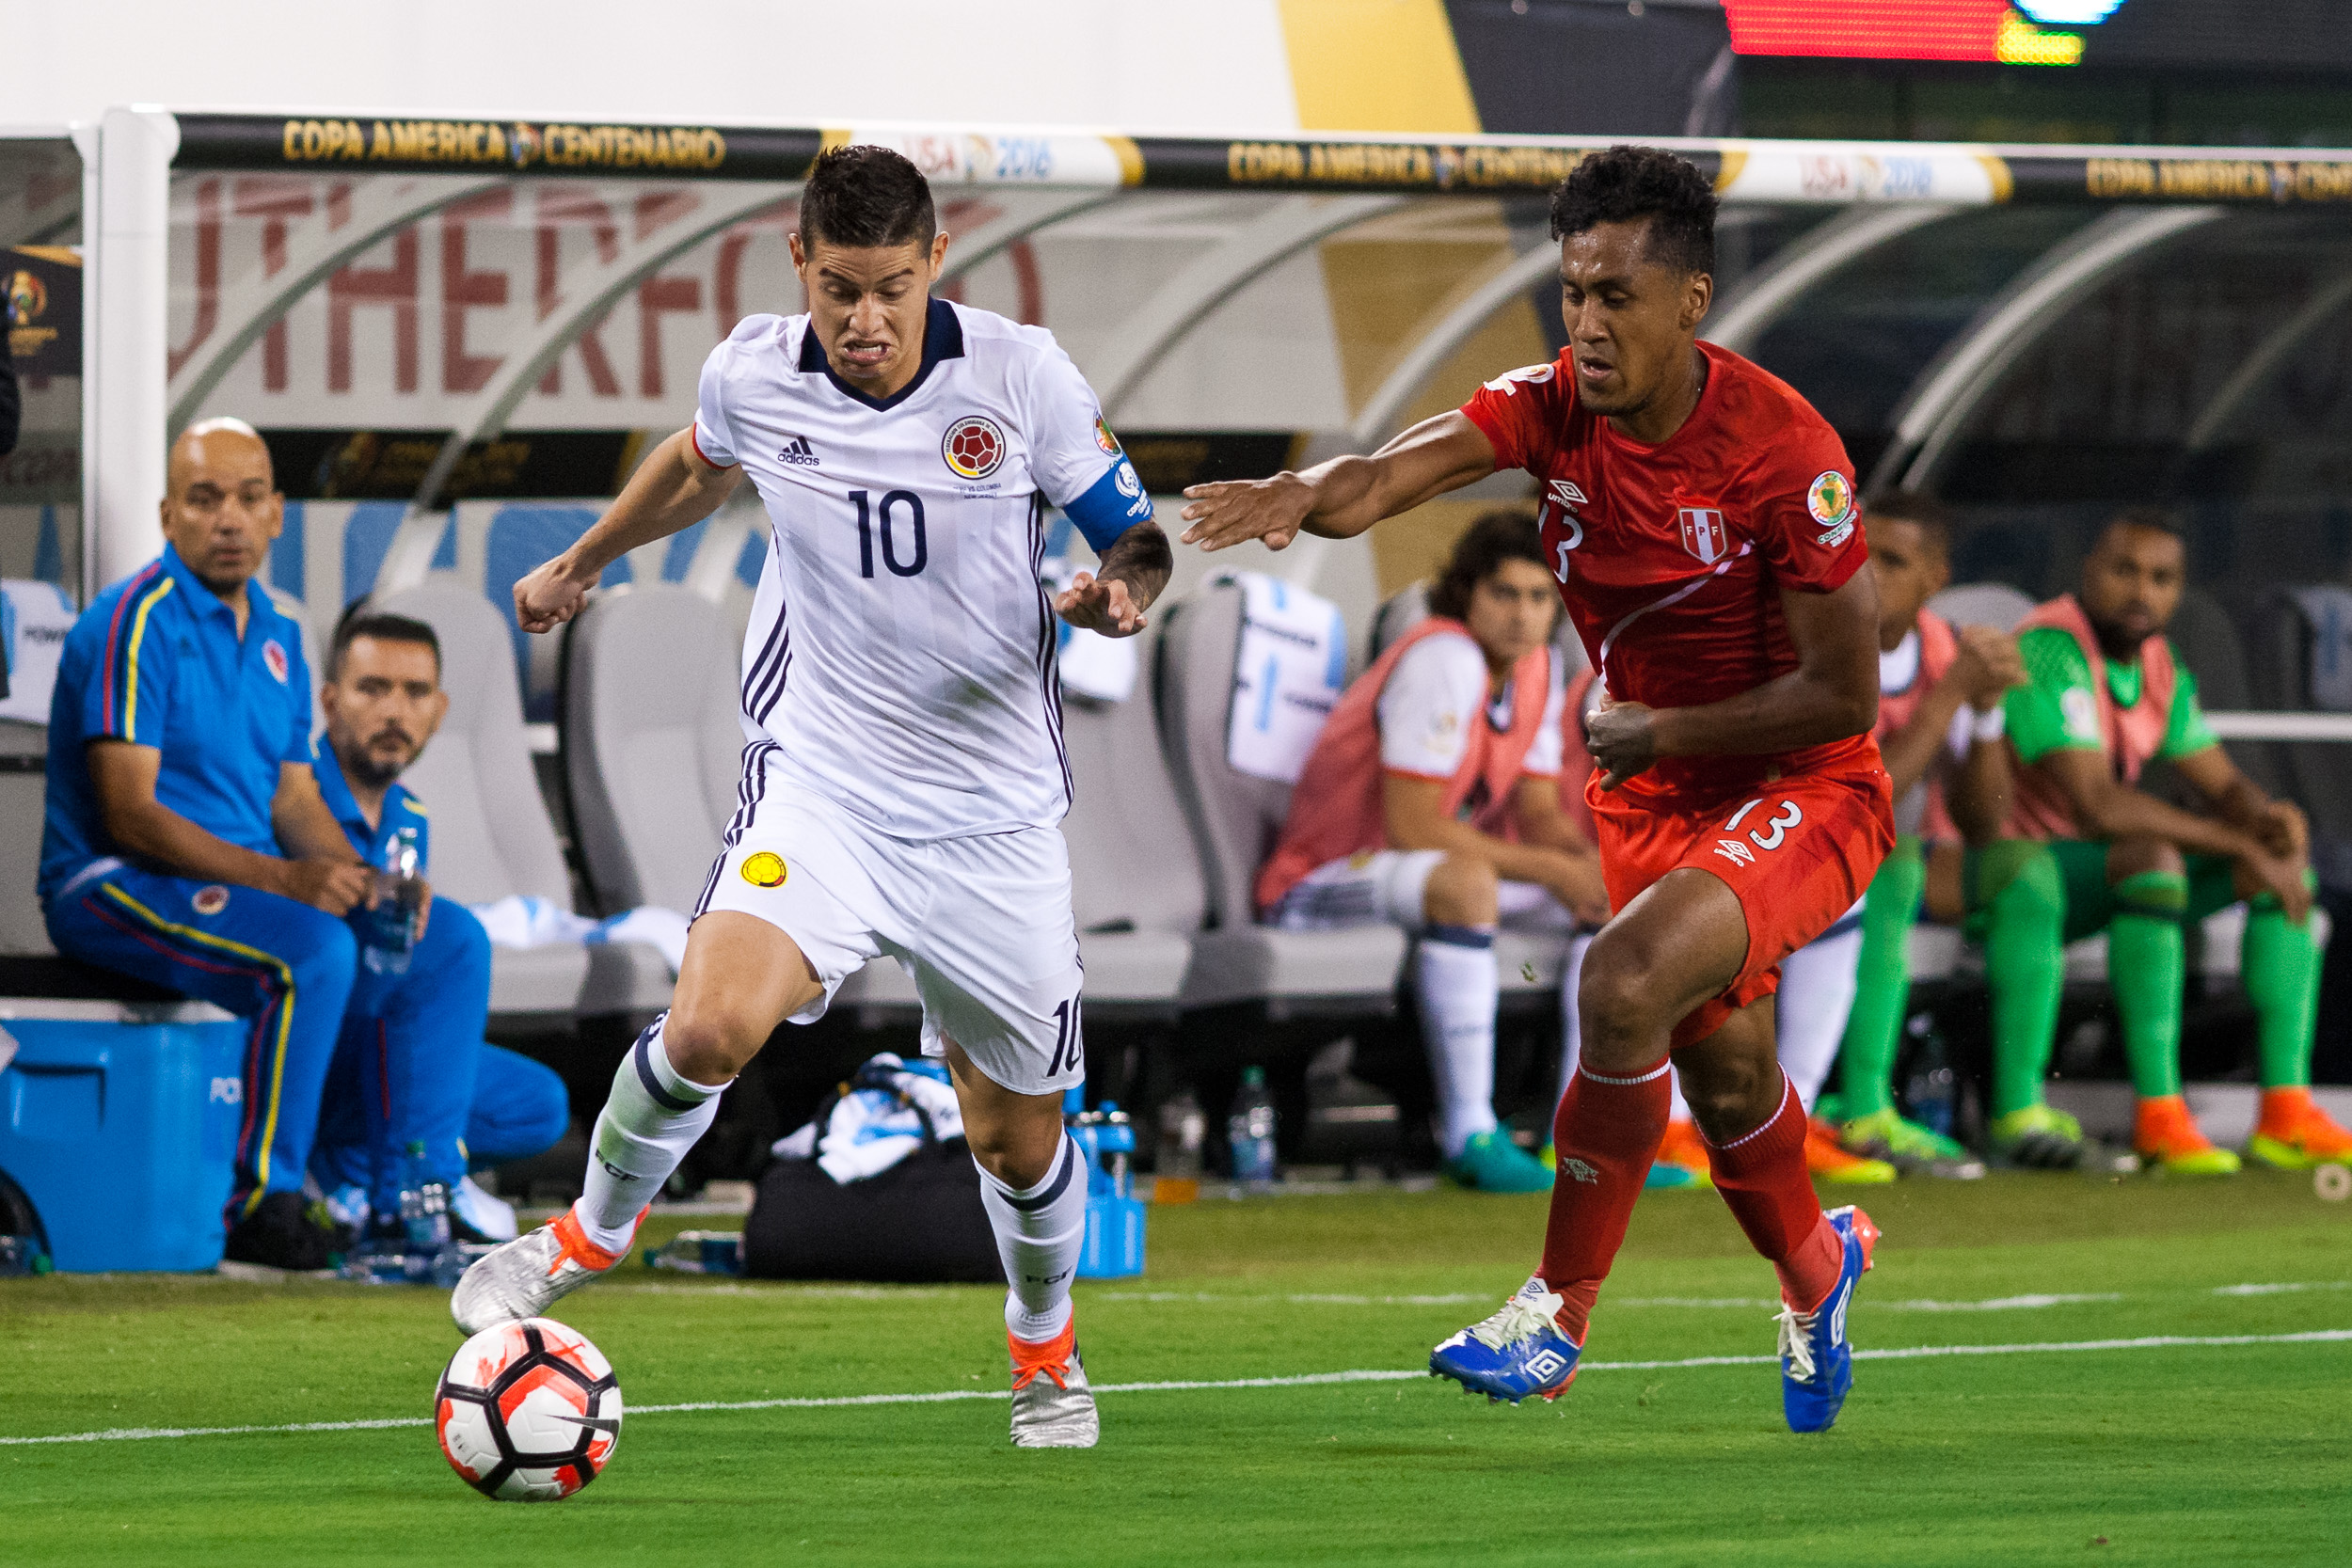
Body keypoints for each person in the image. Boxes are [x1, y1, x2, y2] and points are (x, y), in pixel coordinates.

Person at [450, 146, 1171, 1450]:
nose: (866, 319)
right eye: (841, 287)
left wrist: (1121, 593)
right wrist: (581, 559)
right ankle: (579, 1237)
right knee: (712, 1023)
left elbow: (1138, 530)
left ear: (937, 260)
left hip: (990, 817)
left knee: (1015, 1139)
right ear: (800, 264)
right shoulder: (755, 369)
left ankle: (1045, 1348)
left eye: (892, 286)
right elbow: (697, 459)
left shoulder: (1021, 375)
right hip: (823, 784)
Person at [1184, 145, 1889, 1433]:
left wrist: (1666, 721)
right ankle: (1818, 1264)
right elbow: (1398, 468)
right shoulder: (1551, 406)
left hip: (1805, 785)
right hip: (1651, 790)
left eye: (1617, 294)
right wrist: (1301, 493)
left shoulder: (1790, 454)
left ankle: (1555, 1313)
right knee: (1729, 1086)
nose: (1588, 322)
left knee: (1618, 980)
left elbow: (1850, 697)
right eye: (1573, 291)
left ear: (1692, 300)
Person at [40, 418, 369, 1270]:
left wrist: (360, 881)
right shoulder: (134, 620)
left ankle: (384, 1181)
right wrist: (291, 882)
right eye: (205, 498)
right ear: (166, 514)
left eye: (248, 499)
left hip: (232, 884)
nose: (229, 519)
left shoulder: (280, 636)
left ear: (278, 515)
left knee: (431, 942)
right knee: (310, 953)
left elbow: (294, 794)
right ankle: (265, 1202)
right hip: (111, 884)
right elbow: (131, 815)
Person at [1972, 508, 2350, 1172]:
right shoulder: (2051, 647)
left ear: (2180, 590)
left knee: (2282, 868)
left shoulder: (2158, 660)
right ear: (2089, 571)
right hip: (2021, 869)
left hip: (2094, 875)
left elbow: (2221, 778)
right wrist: (2236, 842)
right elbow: (2095, 806)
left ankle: (2285, 1110)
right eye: (2125, 571)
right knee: (2155, 859)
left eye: (2161, 577)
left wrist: (2266, 821)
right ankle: (2159, 1114)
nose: (2141, 591)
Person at [1257, 510, 1609, 1193]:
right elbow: (1414, 826)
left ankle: (1586, 1138)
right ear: (1466, 593)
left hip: (1417, 874)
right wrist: (1556, 872)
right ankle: (1468, 1132)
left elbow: (1538, 809)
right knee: (1467, 884)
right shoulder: (1441, 655)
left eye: (1539, 597)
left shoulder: (1539, 664)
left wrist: (1590, 868)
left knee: (1617, 894)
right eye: (1504, 594)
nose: (1522, 614)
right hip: (1320, 880)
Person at [306, 607, 571, 1252]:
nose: (395, 711)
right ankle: (414, 1188)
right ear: (331, 700)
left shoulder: (409, 813)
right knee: (452, 938)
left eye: (415, 692)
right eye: (374, 689)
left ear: (440, 709)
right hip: (308, 1056)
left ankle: (361, 1168)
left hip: (379, 1052)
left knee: (540, 1103)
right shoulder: (298, 797)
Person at [1827, 492, 2022, 1170]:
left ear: (1936, 578)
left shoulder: (1941, 646)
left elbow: (1983, 821)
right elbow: (1863, 799)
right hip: (1785, 843)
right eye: (1856, 550)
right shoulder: (1818, 633)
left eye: (1892, 559)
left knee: (2023, 873)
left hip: (1865, 860)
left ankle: (2016, 1108)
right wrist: (1950, 697)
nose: (1866, 570)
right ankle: (1861, 1107)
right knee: (1897, 859)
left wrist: (1989, 710)